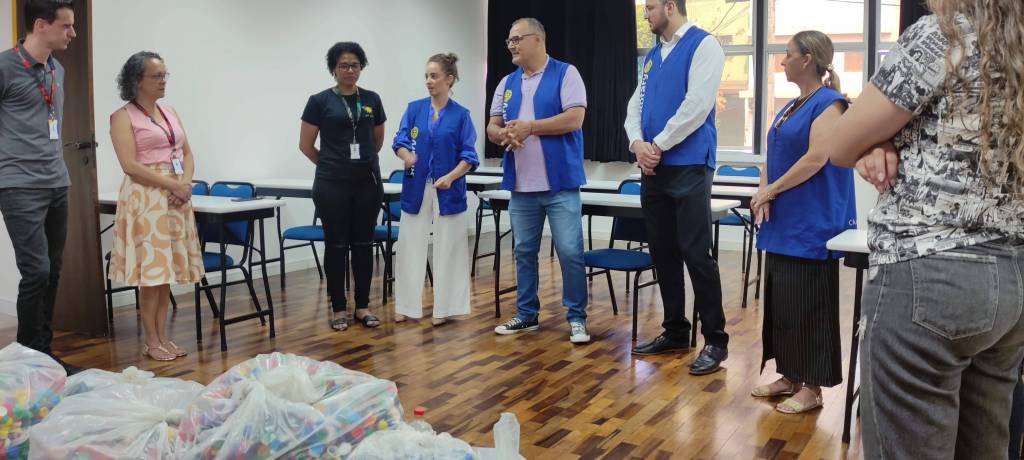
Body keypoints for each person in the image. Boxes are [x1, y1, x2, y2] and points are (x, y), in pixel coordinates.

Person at [829, 1, 1024, 457]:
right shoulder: (1015, 44)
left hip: (928, 272)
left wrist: (875, 140)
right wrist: (883, 141)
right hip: (1011, 280)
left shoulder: (943, 35)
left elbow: (838, 144)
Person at [747, 31, 855, 414]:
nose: (782, 61)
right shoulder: (791, 106)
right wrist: (763, 191)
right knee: (783, 304)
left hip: (811, 222)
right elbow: (771, 154)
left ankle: (813, 387)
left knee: (810, 305)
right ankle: (789, 375)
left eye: (788, 54)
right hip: (783, 223)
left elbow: (816, 158)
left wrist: (771, 190)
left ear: (807, 60)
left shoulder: (830, 104)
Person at [624, 0, 728, 375]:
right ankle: (675, 332)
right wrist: (637, 144)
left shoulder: (704, 44)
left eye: (651, 7)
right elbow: (634, 106)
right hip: (654, 168)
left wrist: (657, 145)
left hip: (689, 165)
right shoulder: (653, 56)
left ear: (671, 7)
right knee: (663, 251)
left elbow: (696, 105)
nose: (645, 14)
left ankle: (715, 340)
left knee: (696, 254)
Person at [486, 18, 590, 344]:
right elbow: (492, 126)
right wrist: (502, 134)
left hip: (560, 185)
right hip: (521, 186)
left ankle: (577, 318)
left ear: (538, 40)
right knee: (523, 252)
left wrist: (530, 127)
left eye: (517, 39)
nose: (512, 45)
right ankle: (527, 314)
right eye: (509, 41)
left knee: (570, 252)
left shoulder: (566, 73)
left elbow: (575, 118)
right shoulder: (506, 82)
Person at [0, 0, 80, 374]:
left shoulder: (56, 68)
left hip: (56, 182)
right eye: (66, 26)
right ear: (40, 25)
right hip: (18, 185)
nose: (72, 33)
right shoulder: (5, 67)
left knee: (53, 271)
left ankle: (44, 356)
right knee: (36, 271)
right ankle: (27, 362)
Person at [108, 52, 204, 361]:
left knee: (166, 273)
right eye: (157, 76)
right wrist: (172, 185)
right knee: (152, 275)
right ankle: (151, 341)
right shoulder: (122, 116)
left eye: (165, 75)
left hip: (176, 197)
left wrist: (185, 184)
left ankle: (164, 336)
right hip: (146, 198)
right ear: (137, 80)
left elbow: (187, 154)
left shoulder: (170, 112)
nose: (163, 81)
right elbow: (129, 165)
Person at [300, 42, 386, 331]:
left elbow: (377, 141)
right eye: (343, 65)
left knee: (363, 244)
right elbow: (306, 145)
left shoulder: (372, 99)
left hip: (367, 183)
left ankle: (362, 306)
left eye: (355, 65)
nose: (350, 70)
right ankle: (338, 307)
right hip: (332, 185)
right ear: (333, 69)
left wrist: (358, 164)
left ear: (361, 67)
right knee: (336, 245)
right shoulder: (319, 101)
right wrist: (332, 165)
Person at [392, 53, 479, 325]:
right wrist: (406, 156)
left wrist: (451, 177)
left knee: (449, 247)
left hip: (449, 188)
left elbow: (469, 156)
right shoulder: (414, 109)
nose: (429, 81)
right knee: (409, 245)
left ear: (449, 79)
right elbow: (400, 141)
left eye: (434, 76)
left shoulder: (461, 115)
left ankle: (446, 308)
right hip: (416, 186)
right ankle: (405, 305)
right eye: (426, 76)